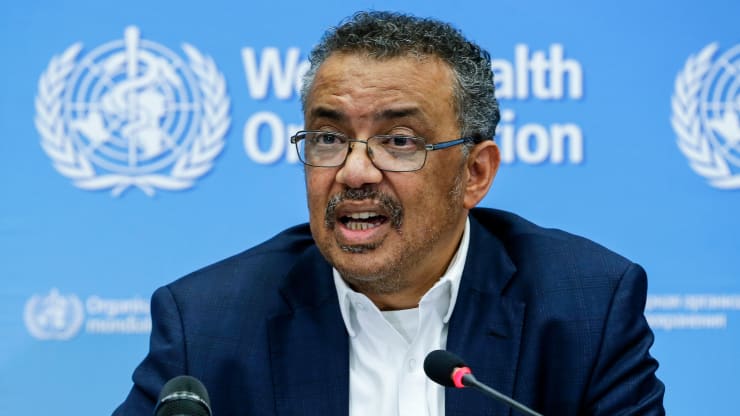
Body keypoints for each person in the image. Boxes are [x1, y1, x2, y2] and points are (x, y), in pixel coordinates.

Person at [114, 11, 665, 415]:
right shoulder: (207, 325)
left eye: (399, 141)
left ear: (474, 173)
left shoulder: (585, 309)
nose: (354, 172)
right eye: (329, 138)